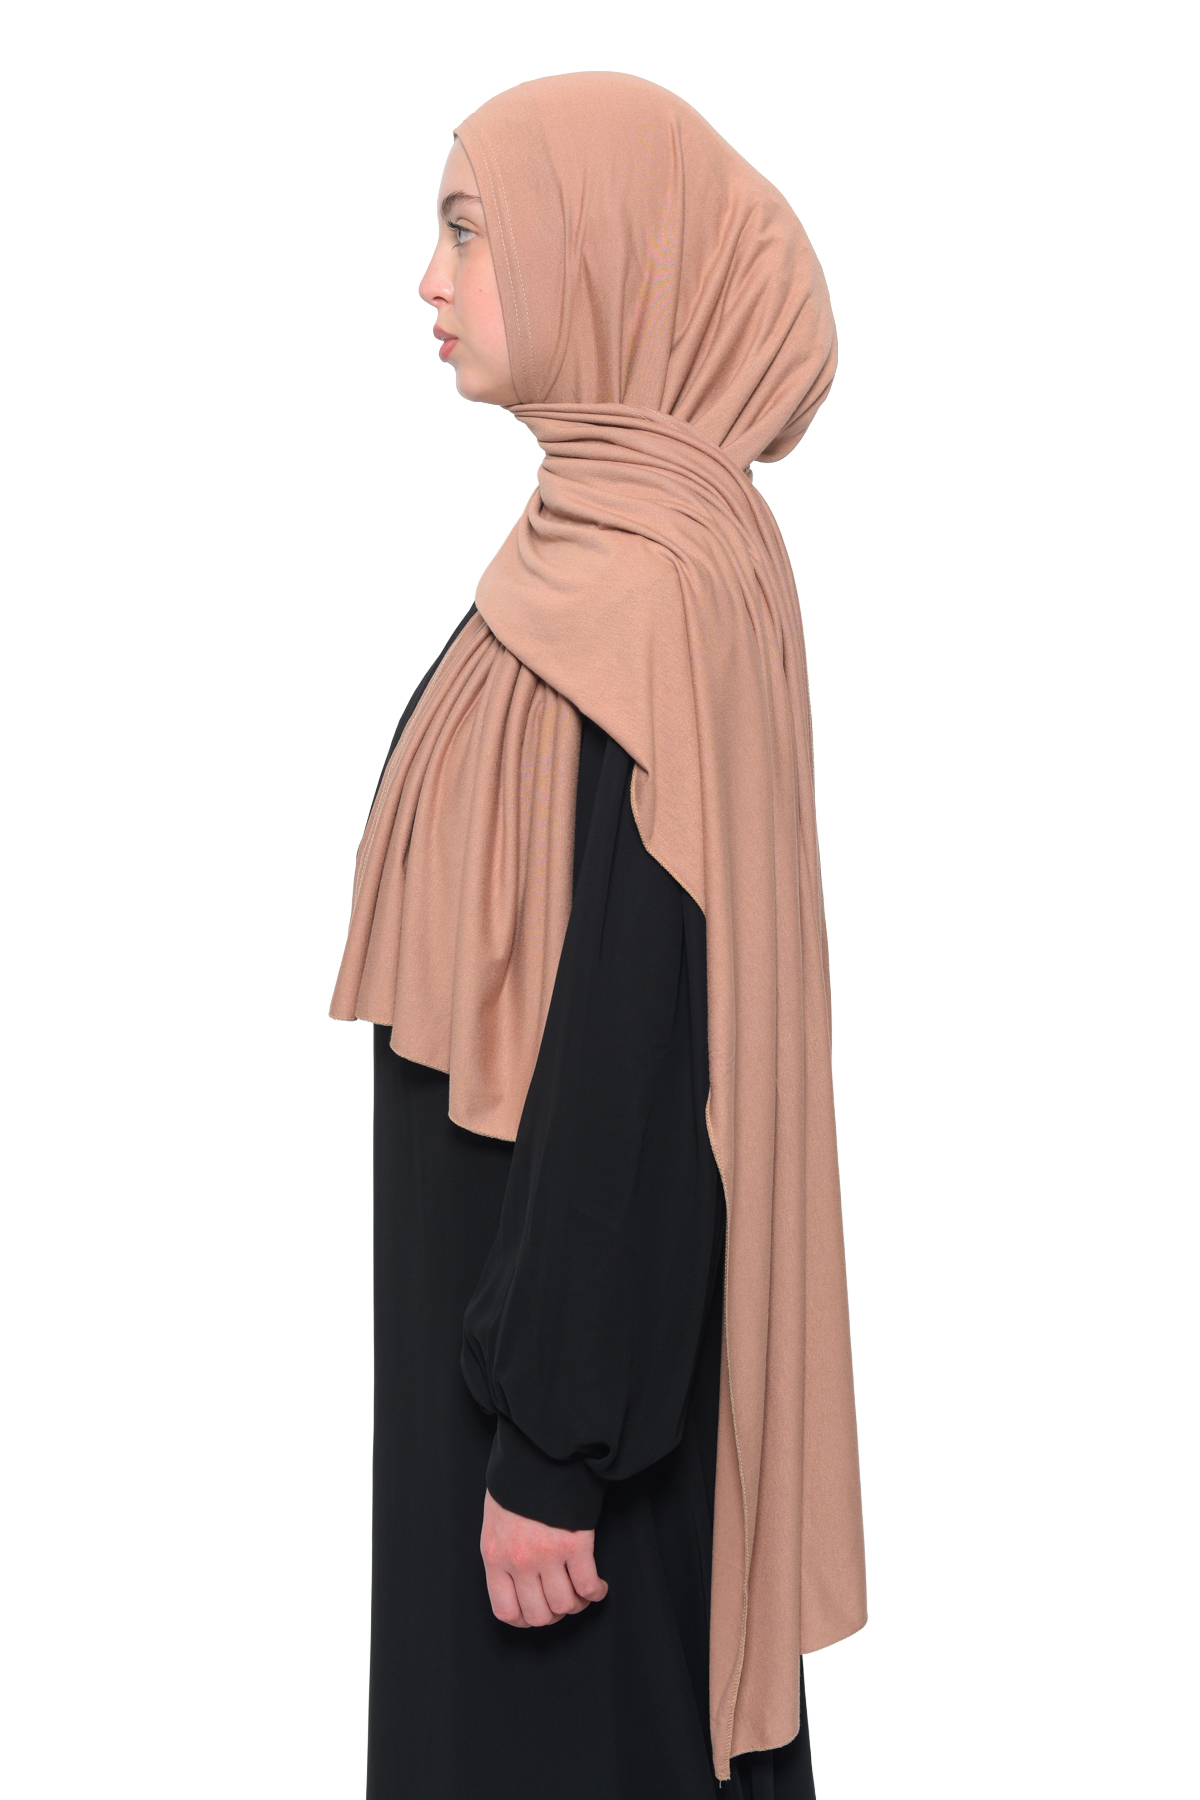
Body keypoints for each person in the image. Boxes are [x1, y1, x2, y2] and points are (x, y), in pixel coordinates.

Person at [331, 71, 867, 1800]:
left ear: (602, 252)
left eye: (469, 231)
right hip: (512, 1376)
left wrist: (553, 1445)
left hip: (566, 1456)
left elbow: (642, 1042)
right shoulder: (593, 548)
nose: (431, 280)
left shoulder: (652, 586)